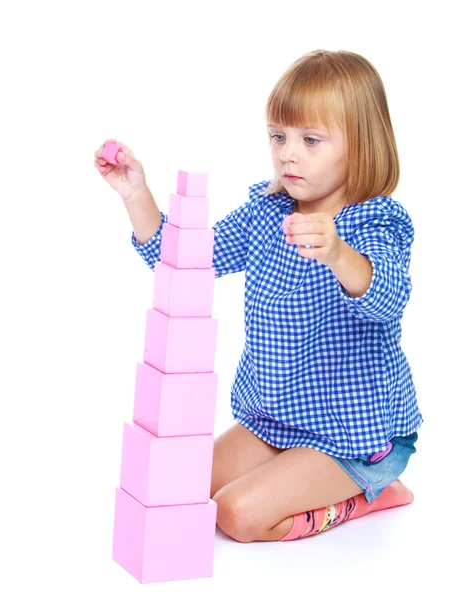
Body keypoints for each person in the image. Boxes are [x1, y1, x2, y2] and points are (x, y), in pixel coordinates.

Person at [94, 49, 423, 544]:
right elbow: (184, 261)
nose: (288, 153)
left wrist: (336, 253)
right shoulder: (266, 213)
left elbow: (387, 297)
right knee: (180, 485)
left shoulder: (374, 223)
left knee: (236, 514)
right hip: (276, 420)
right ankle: (311, 479)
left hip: (352, 440)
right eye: (279, 136)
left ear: (362, 146)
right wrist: (135, 194)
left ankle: (370, 492)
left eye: (311, 140)